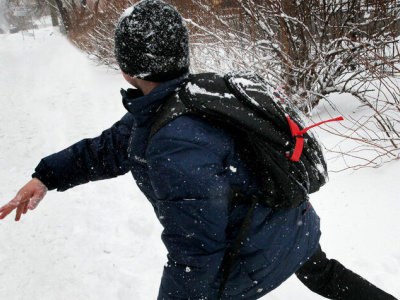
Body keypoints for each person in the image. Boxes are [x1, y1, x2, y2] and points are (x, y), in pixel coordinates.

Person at [0, 1, 397, 299]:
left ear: (126, 68)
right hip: (293, 223)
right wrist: (46, 176)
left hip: (251, 254)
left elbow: (197, 250)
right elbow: (108, 148)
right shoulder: (190, 95)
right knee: (324, 272)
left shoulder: (174, 138)